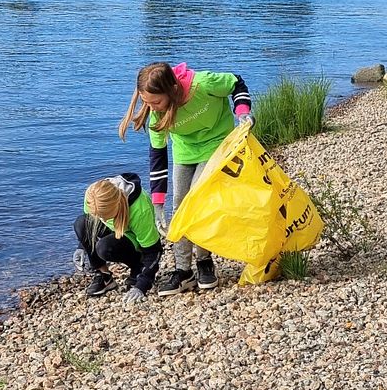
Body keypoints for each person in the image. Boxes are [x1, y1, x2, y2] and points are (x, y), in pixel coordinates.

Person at [118, 62, 253, 297]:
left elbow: (237, 82)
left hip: (217, 144)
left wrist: (243, 112)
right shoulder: (155, 115)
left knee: (197, 200)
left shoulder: (204, 84)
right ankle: (183, 271)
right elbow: (157, 158)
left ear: (172, 89)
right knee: (179, 205)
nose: (151, 107)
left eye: (156, 102)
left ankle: (204, 261)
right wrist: (158, 203)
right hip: (185, 152)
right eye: (146, 102)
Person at [73, 173, 163, 304]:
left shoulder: (139, 210)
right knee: (81, 223)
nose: (102, 219)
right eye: (99, 215)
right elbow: (89, 226)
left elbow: (154, 251)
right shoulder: (93, 197)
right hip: (116, 230)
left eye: (105, 215)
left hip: (135, 242)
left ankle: (137, 266)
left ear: (116, 206)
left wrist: (142, 286)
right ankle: (104, 276)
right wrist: (82, 247)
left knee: (104, 248)